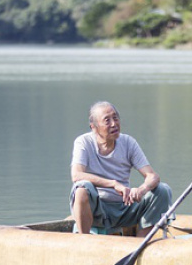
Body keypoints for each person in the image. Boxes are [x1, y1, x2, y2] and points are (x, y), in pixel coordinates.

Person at [70, 101, 173, 237]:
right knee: (82, 188)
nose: (114, 124)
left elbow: (152, 176)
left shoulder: (128, 142)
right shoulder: (83, 142)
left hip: (124, 208)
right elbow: (76, 175)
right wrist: (113, 184)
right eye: (107, 120)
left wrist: (141, 190)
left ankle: (140, 245)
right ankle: (84, 240)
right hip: (97, 210)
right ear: (94, 127)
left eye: (115, 118)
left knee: (162, 190)